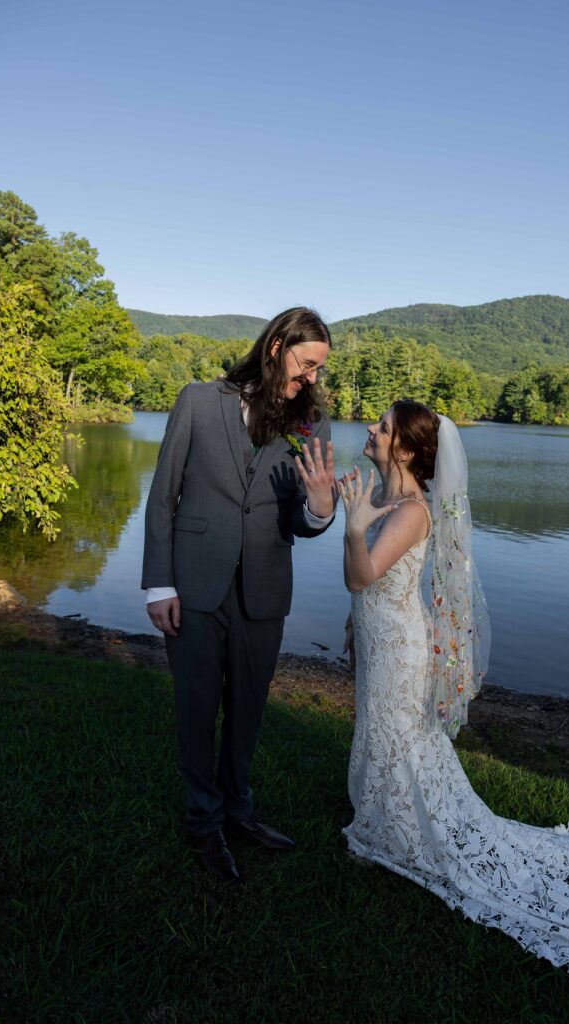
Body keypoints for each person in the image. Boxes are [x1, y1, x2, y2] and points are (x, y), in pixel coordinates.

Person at [338, 399, 569, 1004]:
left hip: (401, 649)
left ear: (407, 450)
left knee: (397, 734)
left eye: (382, 426)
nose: (370, 427)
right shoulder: (387, 498)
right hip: (383, 639)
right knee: (383, 730)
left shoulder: (411, 511)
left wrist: (352, 525)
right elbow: (371, 591)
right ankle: (385, 817)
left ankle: (393, 831)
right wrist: (344, 512)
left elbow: (361, 576)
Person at [142, 307, 337, 882]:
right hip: (194, 583)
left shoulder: (313, 422)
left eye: (321, 369)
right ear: (276, 346)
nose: (313, 379)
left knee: (247, 711)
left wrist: (322, 509)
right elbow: (162, 498)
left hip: (265, 590)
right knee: (198, 709)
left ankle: (238, 811)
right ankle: (203, 825)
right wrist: (159, 584)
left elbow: (301, 519)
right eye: (307, 365)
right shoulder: (199, 401)